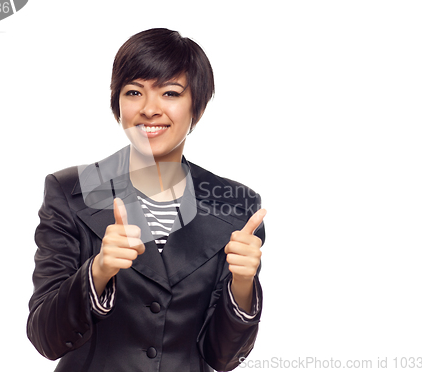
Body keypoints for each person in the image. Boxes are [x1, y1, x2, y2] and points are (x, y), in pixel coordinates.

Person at [27, 28, 267, 372]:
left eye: (170, 92)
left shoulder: (235, 204)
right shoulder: (70, 191)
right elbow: (44, 338)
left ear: (196, 107)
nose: (150, 109)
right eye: (134, 92)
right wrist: (98, 271)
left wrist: (243, 287)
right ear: (117, 105)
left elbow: (224, 357)